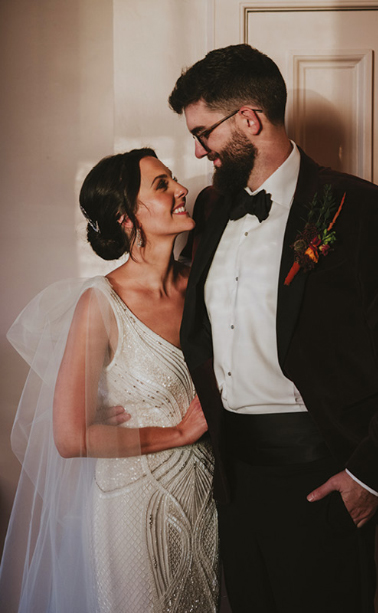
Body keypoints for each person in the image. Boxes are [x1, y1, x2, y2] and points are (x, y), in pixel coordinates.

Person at [167, 44, 378, 612]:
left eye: (203, 133)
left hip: (322, 475)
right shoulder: (212, 210)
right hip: (235, 482)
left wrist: (368, 477)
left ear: (250, 118)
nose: (197, 152)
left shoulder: (361, 208)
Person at [0, 149, 218, 613]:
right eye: (162, 185)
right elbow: (69, 436)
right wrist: (179, 432)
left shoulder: (199, 286)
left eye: (174, 179)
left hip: (208, 499)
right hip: (133, 508)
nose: (181, 190)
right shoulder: (100, 304)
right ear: (125, 217)